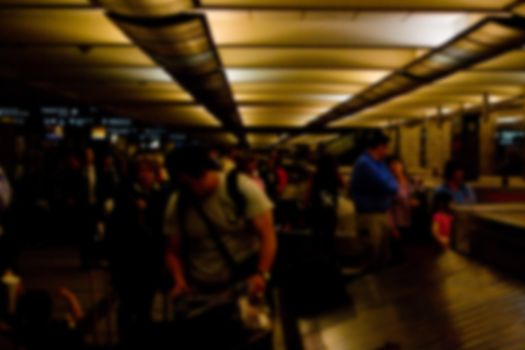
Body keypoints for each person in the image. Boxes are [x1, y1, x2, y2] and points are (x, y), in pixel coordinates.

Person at [164, 147, 276, 348]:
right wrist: (179, 281)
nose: (188, 190)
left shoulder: (240, 188)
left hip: (243, 287)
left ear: (202, 173)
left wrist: (262, 273)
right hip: (202, 292)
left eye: (190, 183)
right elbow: (173, 251)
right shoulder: (179, 202)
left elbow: (267, 235)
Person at [107, 156, 167, 346]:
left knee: (145, 303)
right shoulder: (125, 193)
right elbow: (116, 227)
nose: (144, 175)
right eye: (140, 171)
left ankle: (141, 336)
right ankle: (125, 338)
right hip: (128, 258)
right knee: (126, 303)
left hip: (150, 259)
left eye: (148, 171)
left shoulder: (161, 196)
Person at [349, 132, 398, 270]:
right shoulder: (364, 163)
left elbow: (391, 184)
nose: (387, 151)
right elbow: (388, 185)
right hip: (369, 215)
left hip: (381, 213)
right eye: (386, 147)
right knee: (371, 253)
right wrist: (392, 181)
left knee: (382, 254)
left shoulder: (380, 163)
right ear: (379, 147)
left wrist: (391, 182)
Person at [307, 154, 342, 255]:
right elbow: (343, 185)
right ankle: (328, 256)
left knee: (316, 235)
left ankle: (316, 255)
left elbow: (309, 191)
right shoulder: (335, 175)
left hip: (317, 209)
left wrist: (306, 203)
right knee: (329, 236)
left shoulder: (315, 175)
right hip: (330, 209)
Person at [386, 156, 420, 241]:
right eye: (390, 166)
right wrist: (393, 228)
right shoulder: (390, 184)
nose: (394, 167)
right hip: (399, 223)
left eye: (396, 164)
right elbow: (388, 209)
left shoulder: (410, 180)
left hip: (413, 221)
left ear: (402, 165)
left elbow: (419, 195)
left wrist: (416, 202)